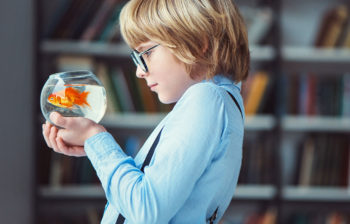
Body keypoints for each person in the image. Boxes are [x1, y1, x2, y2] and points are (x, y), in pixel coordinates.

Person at [42, 0, 250, 223]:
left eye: (147, 53)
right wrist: (93, 148)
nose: (140, 72)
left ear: (198, 43)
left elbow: (146, 209)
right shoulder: (220, 103)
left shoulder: (207, 99)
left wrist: (96, 138)